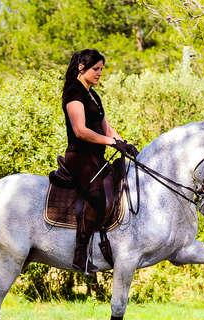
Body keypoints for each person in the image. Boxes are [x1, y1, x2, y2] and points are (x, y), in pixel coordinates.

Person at [61, 49, 137, 274]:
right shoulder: (74, 93)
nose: (100, 73)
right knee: (96, 196)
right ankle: (80, 255)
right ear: (82, 68)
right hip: (79, 158)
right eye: (96, 69)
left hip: (97, 157)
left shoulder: (94, 95)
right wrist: (111, 143)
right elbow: (80, 131)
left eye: (102, 69)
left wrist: (123, 142)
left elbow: (106, 127)